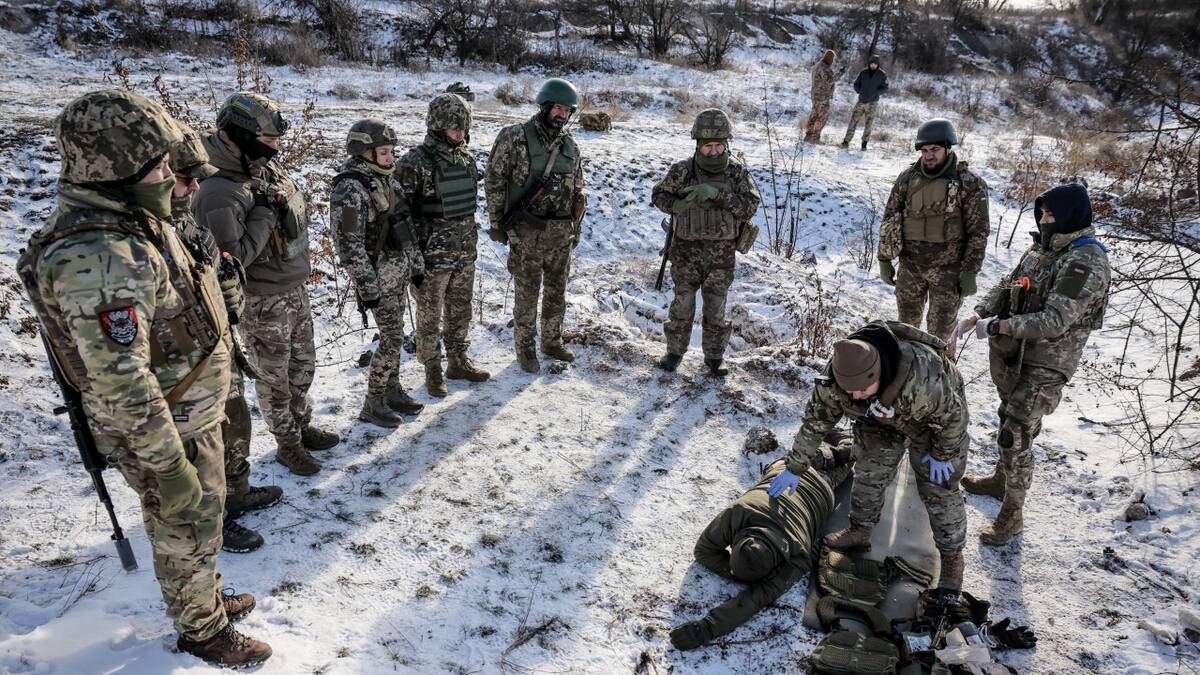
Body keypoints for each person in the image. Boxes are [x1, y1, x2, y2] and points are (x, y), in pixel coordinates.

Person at [18, 89, 270, 666]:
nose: (171, 176)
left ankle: (201, 597)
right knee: (184, 523)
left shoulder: (131, 220)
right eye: (159, 166)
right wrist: (169, 464)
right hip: (165, 430)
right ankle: (200, 630)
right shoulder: (100, 256)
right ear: (116, 169)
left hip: (187, 413)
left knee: (199, 526)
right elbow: (122, 384)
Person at [951, 183, 1110, 545]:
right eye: (1041, 212)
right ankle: (1000, 480)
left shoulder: (1085, 259)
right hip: (1016, 355)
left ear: (1072, 215)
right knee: (1009, 415)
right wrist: (980, 311)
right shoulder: (1042, 249)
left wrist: (1000, 325)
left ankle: (1012, 515)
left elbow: (1056, 319)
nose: (1044, 218)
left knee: (1016, 431)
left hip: (1047, 362)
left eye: (1051, 213)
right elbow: (1009, 284)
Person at [194, 92, 339, 476]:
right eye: (269, 140)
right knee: (274, 379)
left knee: (303, 368)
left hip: (292, 288)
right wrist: (264, 212)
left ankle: (300, 425)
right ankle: (286, 444)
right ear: (242, 136)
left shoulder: (256, 167)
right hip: (261, 301)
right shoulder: (217, 192)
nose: (275, 148)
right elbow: (231, 262)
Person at [768, 321, 969, 597]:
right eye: (850, 392)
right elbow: (815, 423)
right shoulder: (836, 381)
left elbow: (954, 418)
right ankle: (860, 530)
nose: (855, 396)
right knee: (868, 471)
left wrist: (943, 454)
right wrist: (795, 467)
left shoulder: (923, 375)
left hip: (933, 422)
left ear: (879, 373)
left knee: (939, 487)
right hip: (877, 417)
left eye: (862, 390)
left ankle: (952, 557)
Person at [169, 123, 282, 553]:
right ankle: (213, 521)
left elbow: (222, 269)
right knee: (201, 448)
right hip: (184, 367)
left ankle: (235, 493)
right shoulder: (141, 239)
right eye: (185, 178)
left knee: (235, 422)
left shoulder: (181, 226)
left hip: (217, 345)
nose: (195, 185)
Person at [669, 437, 855, 650]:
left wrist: (708, 627)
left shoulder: (797, 555)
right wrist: (734, 576)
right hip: (792, 470)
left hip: (816, 485)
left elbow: (754, 597)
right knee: (831, 451)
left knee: (848, 456)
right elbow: (702, 551)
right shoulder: (740, 512)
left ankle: (843, 443)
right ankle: (840, 443)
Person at [484, 78, 587, 373]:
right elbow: (494, 181)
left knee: (557, 293)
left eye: (567, 111)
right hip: (527, 233)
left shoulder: (570, 146)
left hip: (560, 233)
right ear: (544, 106)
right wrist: (497, 224)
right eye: (557, 108)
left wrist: (575, 230)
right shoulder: (514, 137)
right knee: (527, 294)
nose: (562, 115)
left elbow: (577, 190)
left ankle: (551, 341)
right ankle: (525, 348)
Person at [650, 108, 761, 376]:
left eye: (718, 146)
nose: (713, 151)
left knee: (716, 307)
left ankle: (714, 357)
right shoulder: (682, 171)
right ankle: (674, 352)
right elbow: (658, 196)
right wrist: (677, 204)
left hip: (721, 255)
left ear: (726, 144)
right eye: (707, 145)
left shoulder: (736, 174)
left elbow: (749, 207)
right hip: (686, 252)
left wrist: (718, 195)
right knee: (683, 304)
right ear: (698, 144)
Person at [330, 119, 426, 426]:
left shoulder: (388, 181)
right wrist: (367, 287)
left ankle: (392, 390)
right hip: (377, 281)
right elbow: (349, 244)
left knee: (395, 337)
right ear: (363, 153)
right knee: (392, 337)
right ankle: (373, 402)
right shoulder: (349, 190)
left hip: (397, 276)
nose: (391, 158)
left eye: (391, 152)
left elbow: (405, 227)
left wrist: (417, 267)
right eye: (384, 153)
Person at [398, 94, 490, 396]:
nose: (461, 134)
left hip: (464, 253)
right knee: (428, 317)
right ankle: (432, 368)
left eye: (464, 128)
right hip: (431, 259)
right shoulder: (415, 163)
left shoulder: (466, 159)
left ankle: (458, 360)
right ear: (437, 127)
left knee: (460, 310)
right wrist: (413, 260)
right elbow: (400, 217)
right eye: (454, 129)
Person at [877, 119, 990, 346]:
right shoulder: (908, 178)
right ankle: (908, 374)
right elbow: (890, 218)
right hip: (910, 267)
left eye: (935, 150)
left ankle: (942, 378)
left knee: (941, 337)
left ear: (948, 148)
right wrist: (884, 259)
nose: (929, 155)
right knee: (906, 330)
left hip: (949, 272)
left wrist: (970, 272)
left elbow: (978, 232)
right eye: (925, 150)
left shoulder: (969, 182)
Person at [841, 54, 888, 150]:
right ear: (869, 63)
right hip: (861, 101)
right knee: (853, 121)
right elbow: (856, 84)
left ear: (878, 64)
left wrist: (876, 93)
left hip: (872, 103)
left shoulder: (881, 74)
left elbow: (885, 87)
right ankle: (846, 141)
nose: (873, 65)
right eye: (872, 63)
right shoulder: (863, 73)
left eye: (875, 64)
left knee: (869, 123)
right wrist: (859, 91)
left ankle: (864, 143)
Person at [805, 49, 838, 143]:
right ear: (830, 59)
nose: (832, 61)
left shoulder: (817, 65)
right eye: (832, 59)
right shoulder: (824, 67)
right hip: (822, 96)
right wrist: (839, 74)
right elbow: (829, 80)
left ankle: (808, 135)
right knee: (822, 116)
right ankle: (815, 137)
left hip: (815, 95)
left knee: (814, 115)